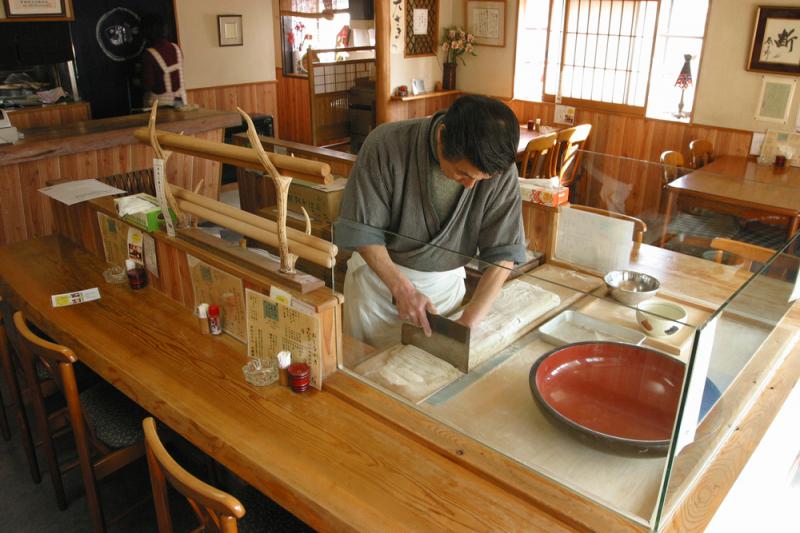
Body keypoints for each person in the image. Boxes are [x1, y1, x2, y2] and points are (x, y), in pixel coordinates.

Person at [334, 95, 526, 348]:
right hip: (378, 286)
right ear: (441, 137)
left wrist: (467, 323)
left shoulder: (498, 167)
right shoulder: (386, 144)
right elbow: (363, 232)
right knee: (367, 375)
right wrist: (402, 289)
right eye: (464, 173)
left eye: (481, 180)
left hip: (444, 294)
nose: (471, 186)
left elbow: (504, 253)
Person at [140, 13, 188, 108]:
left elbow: (148, 84)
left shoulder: (149, 54)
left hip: (160, 105)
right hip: (181, 102)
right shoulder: (176, 48)